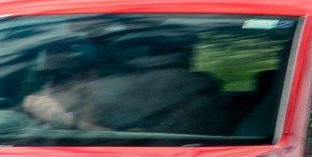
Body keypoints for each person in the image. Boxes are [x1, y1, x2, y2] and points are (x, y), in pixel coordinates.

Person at [23, 30, 225, 135]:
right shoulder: (29, 119)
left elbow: (145, 145)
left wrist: (69, 123)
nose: (49, 85)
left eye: (60, 77)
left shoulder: (133, 108)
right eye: (43, 78)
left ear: (89, 76)